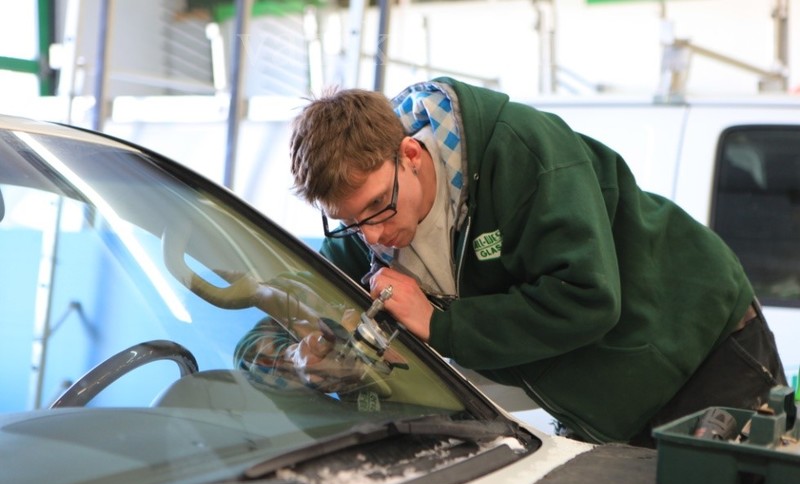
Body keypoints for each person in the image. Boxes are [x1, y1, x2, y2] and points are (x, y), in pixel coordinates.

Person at [287, 76, 787, 446]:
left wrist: (441, 325)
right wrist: (292, 352)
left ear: (411, 154)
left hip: (704, 348)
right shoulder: (366, 223)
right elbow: (292, 288)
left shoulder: (521, 151)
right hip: (607, 407)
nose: (372, 234)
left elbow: (587, 297)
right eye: (350, 221)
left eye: (379, 205)